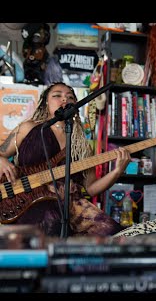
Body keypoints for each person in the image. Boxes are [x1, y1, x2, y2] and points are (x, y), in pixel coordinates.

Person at [0, 82, 131, 237]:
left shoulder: (81, 145)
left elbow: (90, 188)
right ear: (45, 102)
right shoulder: (28, 128)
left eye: (70, 97)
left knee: (116, 235)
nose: (64, 99)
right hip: (24, 200)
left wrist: (117, 171)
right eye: (57, 95)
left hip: (69, 204)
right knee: (51, 220)